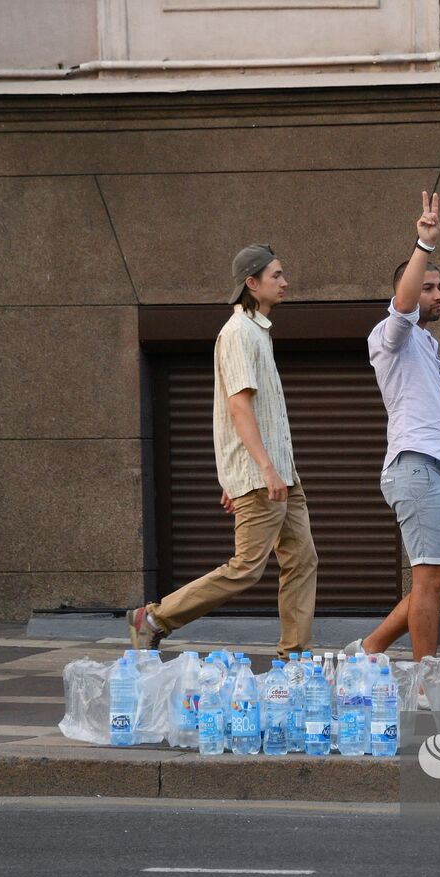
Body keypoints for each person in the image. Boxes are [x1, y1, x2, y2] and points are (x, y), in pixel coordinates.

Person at [128, 245, 318, 659]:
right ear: (252, 283)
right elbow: (238, 407)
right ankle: (155, 618)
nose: (285, 283)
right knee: (246, 567)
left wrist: (264, 470)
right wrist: (258, 470)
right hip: (264, 476)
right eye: (277, 276)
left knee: (302, 559)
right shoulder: (238, 334)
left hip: (282, 474)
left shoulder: (258, 331)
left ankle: (296, 656)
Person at [346, 191, 440, 662]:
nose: (439, 295)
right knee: (428, 579)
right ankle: (425, 679)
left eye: (439, 287)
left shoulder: (427, 345)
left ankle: (372, 645)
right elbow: (401, 304)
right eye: (429, 287)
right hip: (414, 466)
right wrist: (425, 246)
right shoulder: (389, 335)